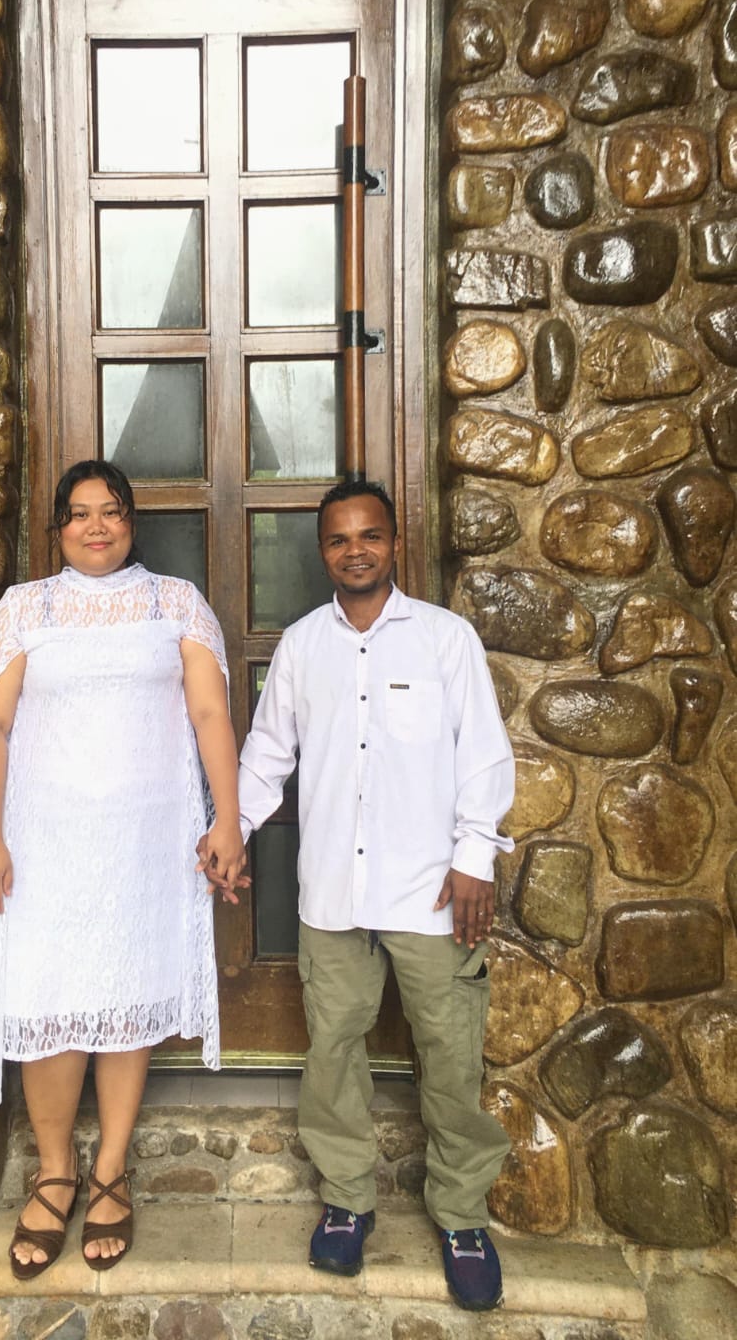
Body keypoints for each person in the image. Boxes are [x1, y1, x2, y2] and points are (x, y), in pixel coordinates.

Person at [216, 478, 514, 1311]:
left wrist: (475, 858)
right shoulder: (302, 646)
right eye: (340, 539)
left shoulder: (445, 640)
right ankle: (347, 1201)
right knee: (333, 1051)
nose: (356, 551)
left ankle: (460, 1215)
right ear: (323, 552)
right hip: (333, 895)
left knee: (449, 1055)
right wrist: (231, 831)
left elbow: (482, 754)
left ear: (394, 543)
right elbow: (267, 753)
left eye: (369, 536)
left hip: (430, 890)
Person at [0, 459, 246, 1280]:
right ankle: (55, 1174)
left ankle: (112, 1169)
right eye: (79, 513)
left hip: (144, 845)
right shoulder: (26, 609)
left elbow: (208, 711)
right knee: (50, 998)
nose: (96, 526)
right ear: (58, 528)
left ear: (130, 523)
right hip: (45, 846)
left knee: (127, 996)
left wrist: (227, 819)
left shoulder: (175, 603)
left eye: (111, 511)